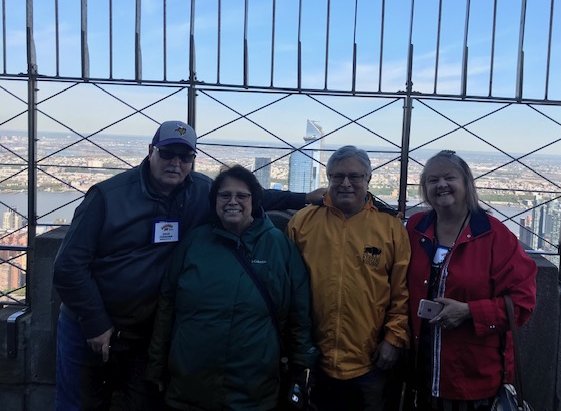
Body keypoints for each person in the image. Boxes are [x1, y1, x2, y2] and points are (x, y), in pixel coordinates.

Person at [53, 120, 325, 411]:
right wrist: (95, 322)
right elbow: (68, 265)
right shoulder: (108, 196)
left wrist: (304, 198)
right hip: (92, 326)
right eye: (167, 153)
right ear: (150, 151)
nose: (176, 163)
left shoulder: (199, 190)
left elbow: (245, 194)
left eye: (185, 157)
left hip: (143, 331)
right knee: (78, 404)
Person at [146, 165, 318, 410]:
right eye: (224, 195)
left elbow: (299, 315)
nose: (232, 202)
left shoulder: (278, 247)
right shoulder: (194, 242)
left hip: (253, 390)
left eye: (242, 196)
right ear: (214, 201)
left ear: (254, 201)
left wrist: (302, 370)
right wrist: (156, 367)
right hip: (188, 387)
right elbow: (167, 306)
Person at [405, 150, 537, 411]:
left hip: (472, 378)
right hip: (418, 371)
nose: (441, 185)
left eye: (449, 177)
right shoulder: (415, 228)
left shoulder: (495, 235)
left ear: (466, 183)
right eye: (432, 180)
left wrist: (469, 312)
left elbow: (522, 303)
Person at [286, 145, 410, 411]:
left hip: (370, 360)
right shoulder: (302, 222)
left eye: (355, 176)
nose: (346, 184)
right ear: (328, 178)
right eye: (338, 176)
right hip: (313, 358)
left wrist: (393, 338)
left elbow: (401, 291)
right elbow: (287, 288)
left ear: (368, 178)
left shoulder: (390, 227)